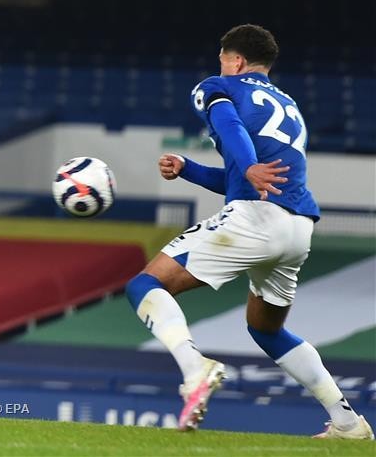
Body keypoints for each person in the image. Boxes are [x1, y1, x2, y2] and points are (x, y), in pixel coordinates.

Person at [125, 24, 374, 439]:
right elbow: (245, 176)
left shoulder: (218, 87)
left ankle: (194, 369)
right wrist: (189, 169)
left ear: (235, 60)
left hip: (256, 218)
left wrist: (249, 163)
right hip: (297, 228)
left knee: (144, 285)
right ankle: (348, 422)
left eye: (222, 58)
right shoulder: (287, 105)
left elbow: (230, 130)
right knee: (265, 329)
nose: (219, 65)